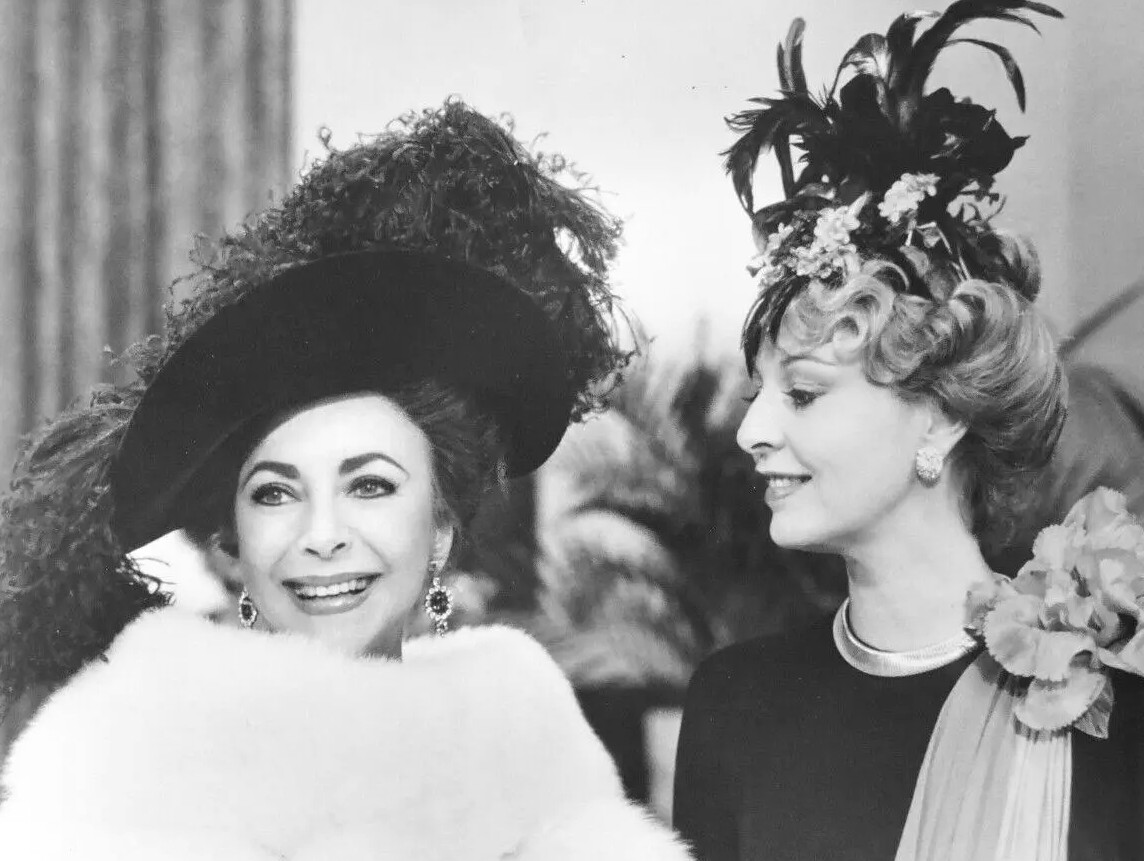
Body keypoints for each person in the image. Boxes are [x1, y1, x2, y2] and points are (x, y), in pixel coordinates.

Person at [0, 102, 691, 860]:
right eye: (275, 493)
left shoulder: (530, 754)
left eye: (370, 486)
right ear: (231, 542)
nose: (322, 535)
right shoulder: (115, 772)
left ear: (441, 532)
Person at [674, 4, 1144, 860]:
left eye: (802, 393)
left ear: (943, 416)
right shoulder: (733, 707)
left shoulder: (1115, 720)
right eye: (756, 393)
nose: (750, 431)